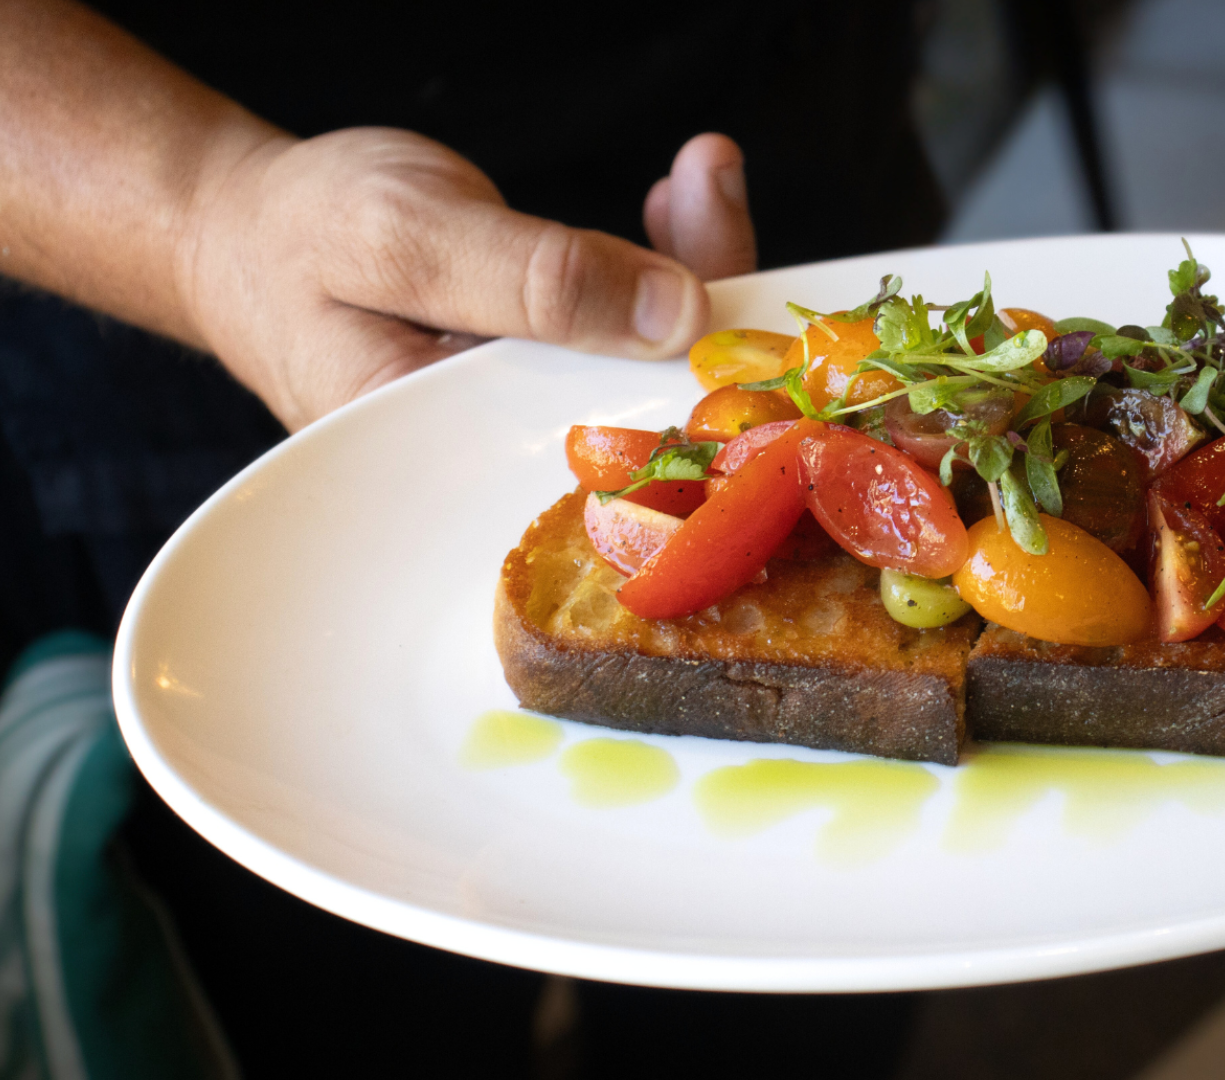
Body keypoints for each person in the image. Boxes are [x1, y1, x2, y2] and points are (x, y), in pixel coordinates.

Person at [0, 0, 943, 1074]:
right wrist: (206, 219)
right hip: (192, 264)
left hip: (792, 189)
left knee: (784, 1018)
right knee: (371, 1022)